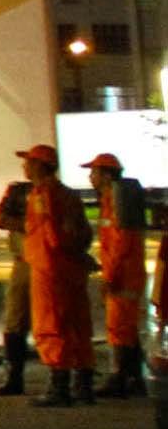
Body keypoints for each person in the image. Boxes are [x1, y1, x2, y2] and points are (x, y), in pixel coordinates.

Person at [0, 143, 96, 406]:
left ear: (40, 165)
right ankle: (82, 384)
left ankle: (58, 387)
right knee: (75, 324)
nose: (24, 166)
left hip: (47, 267)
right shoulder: (68, 196)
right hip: (67, 267)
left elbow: (51, 233)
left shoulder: (42, 194)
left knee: (49, 326)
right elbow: (82, 234)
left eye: (29, 161)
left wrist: (38, 239)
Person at [90, 153, 151, 399]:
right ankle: (134, 379)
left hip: (123, 275)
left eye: (94, 172)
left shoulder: (117, 203)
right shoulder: (112, 201)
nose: (90, 177)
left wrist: (110, 276)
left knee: (119, 328)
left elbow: (120, 244)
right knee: (126, 328)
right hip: (126, 273)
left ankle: (120, 378)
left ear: (106, 175)